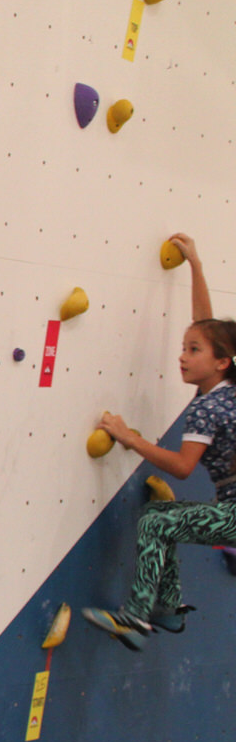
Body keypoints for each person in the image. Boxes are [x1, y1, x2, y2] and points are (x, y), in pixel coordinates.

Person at [82, 234, 236, 651]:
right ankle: (166, 607)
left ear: (219, 362)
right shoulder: (225, 385)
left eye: (192, 350)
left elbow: (183, 467)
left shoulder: (208, 408)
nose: (182, 356)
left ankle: (135, 619)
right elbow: (208, 327)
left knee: (155, 523)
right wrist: (196, 267)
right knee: (159, 516)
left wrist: (129, 438)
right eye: (184, 347)